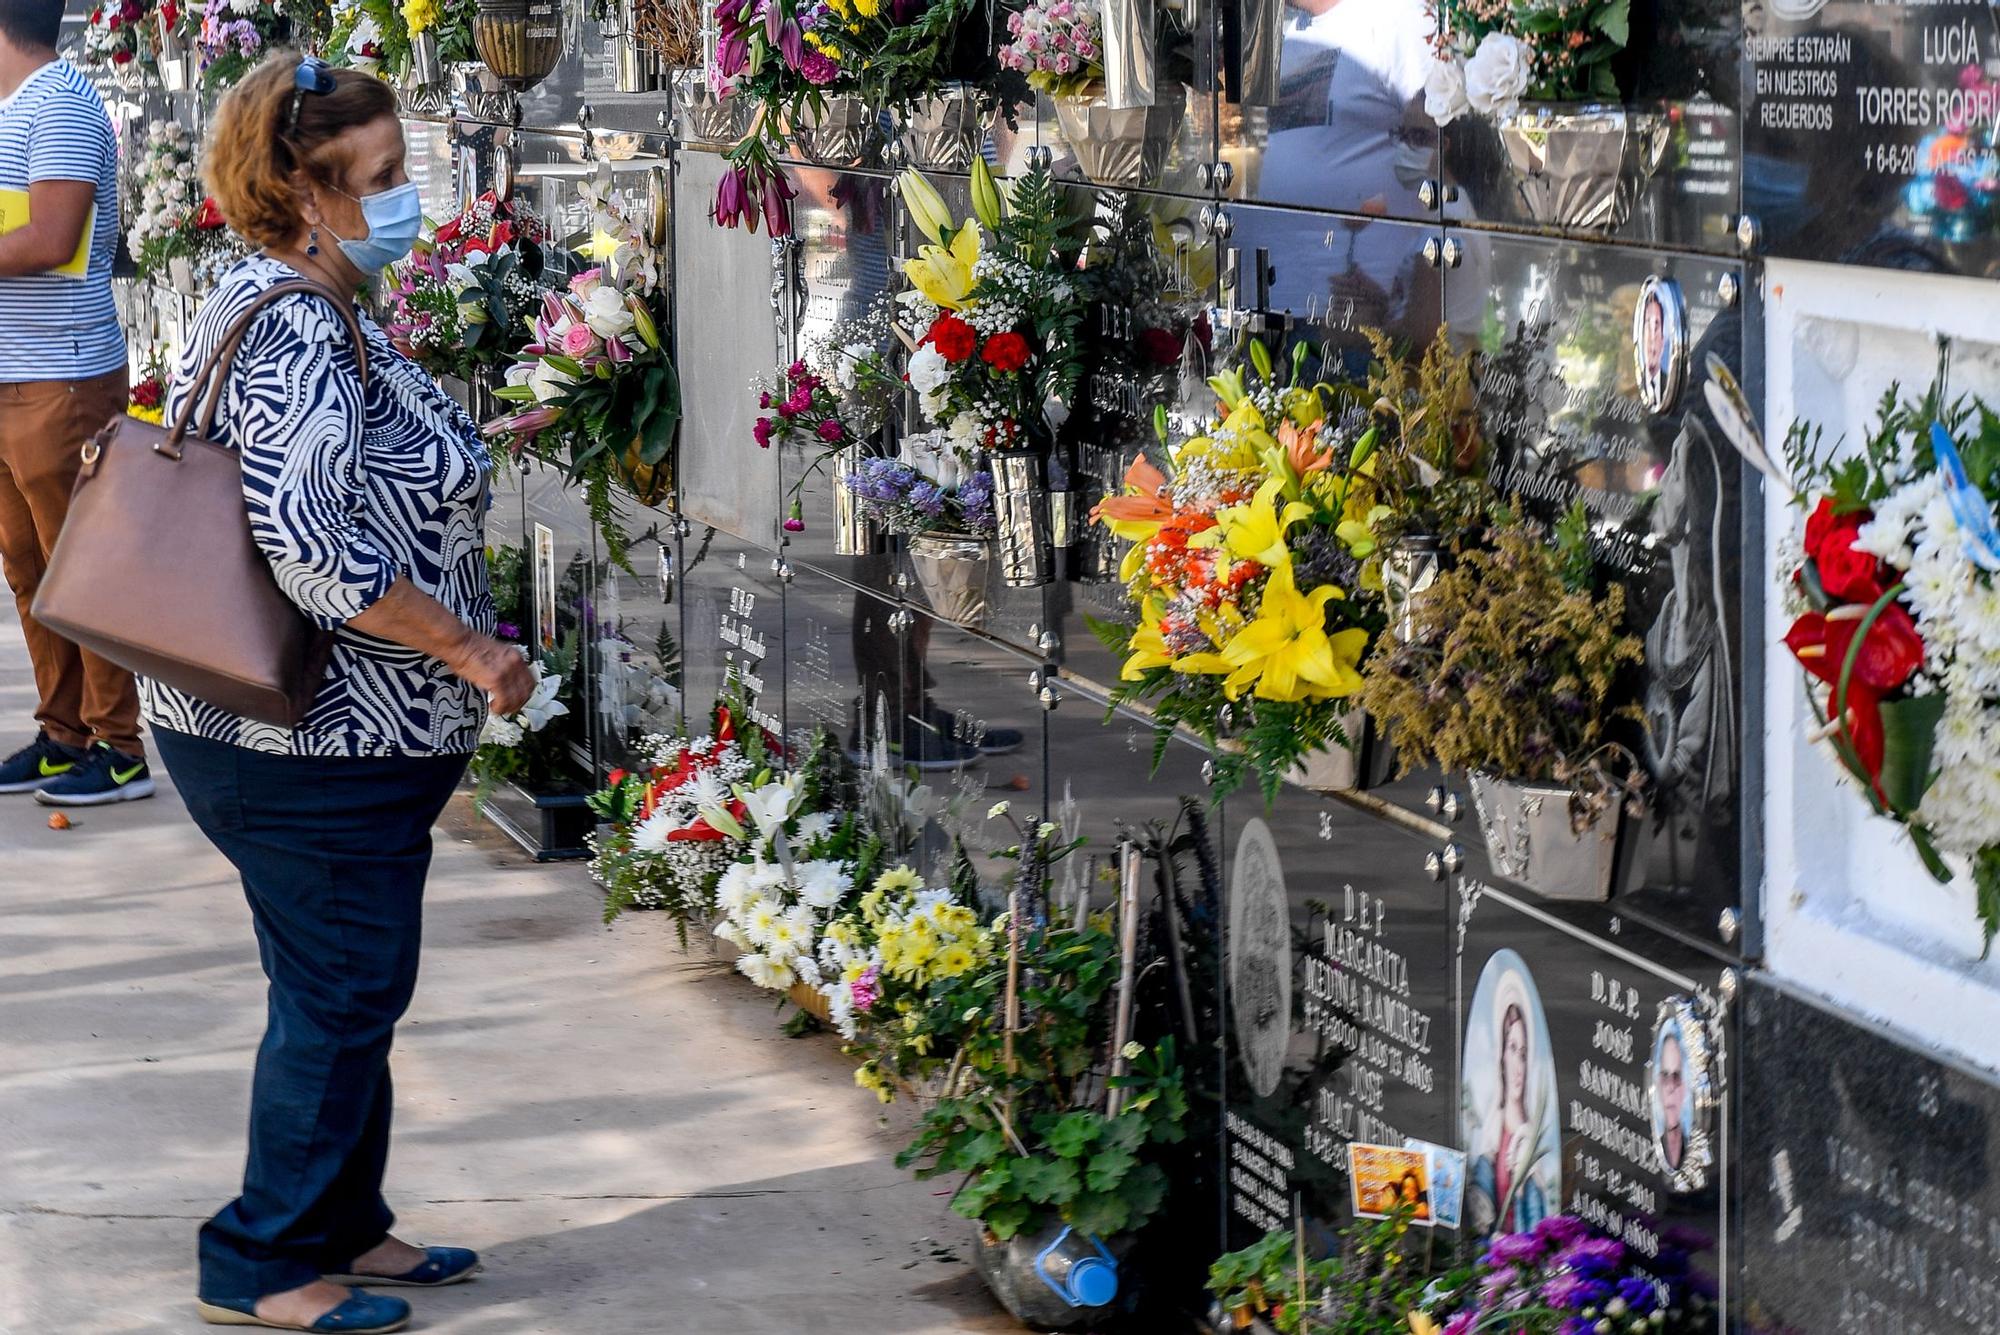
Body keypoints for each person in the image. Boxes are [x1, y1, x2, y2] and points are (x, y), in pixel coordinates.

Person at [146, 54, 533, 1335]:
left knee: (340, 982)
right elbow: (315, 552)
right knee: (342, 989)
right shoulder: (300, 321)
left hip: (330, 741)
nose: (406, 197)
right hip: (306, 741)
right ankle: (258, 1261)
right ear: (304, 193)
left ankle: (344, 1223)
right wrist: (472, 654)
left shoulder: (313, 297)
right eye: (383, 178)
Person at [0, 0, 151, 805]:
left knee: (82, 567)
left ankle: (119, 748)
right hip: (10, 377)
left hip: (60, 379)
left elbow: (52, 237)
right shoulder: (16, 108)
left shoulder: (59, 102)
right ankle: (65, 734)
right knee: (29, 568)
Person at [1467, 976, 1554, 1235]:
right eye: (1512, 1048)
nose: (1518, 1064)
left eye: (1524, 1053)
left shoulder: (1528, 1144)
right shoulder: (1492, 1136)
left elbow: (1535, 1231)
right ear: (1501, 1054)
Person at [1656, 1027, 1688, 1172]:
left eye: (1677, 1077)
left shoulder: (1690, 1146)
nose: (1670, 1087)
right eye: (1665, 1076)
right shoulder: (1656, 1146)